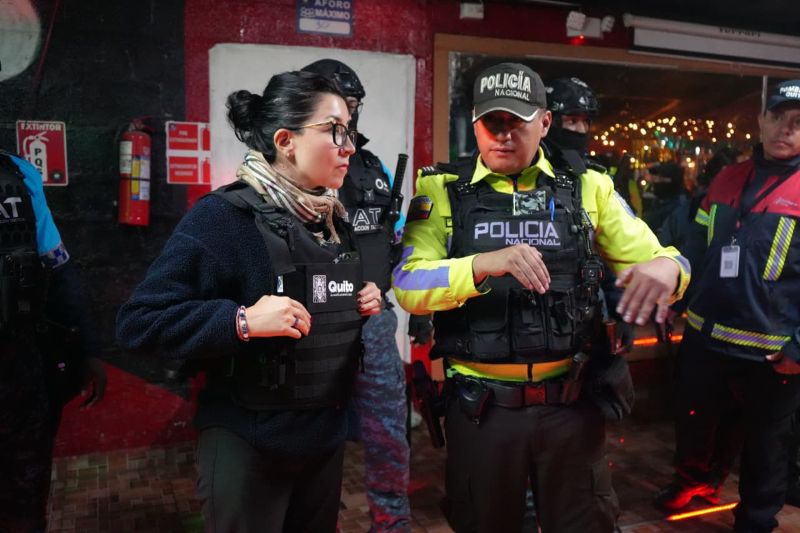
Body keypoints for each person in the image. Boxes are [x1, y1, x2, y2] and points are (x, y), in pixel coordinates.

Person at [392, 62, 690, 533]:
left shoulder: (589, 185)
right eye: (492, 122)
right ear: (474, 122)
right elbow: (408, 285)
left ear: (546, 122)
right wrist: (482, 264)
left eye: (517, 122)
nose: (503, 135)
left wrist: (671, 268)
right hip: (482, 411)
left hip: (570, 407)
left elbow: (660, 258)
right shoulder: (442, 189)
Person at [116, 70, 383, 532]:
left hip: (323, 441)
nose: (350, 147)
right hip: (248, 444)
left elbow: (318, 304)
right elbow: (138, 323)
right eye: (335, 131)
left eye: (351, 131)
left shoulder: (332, 219)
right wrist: (240, 320)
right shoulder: (223, 218)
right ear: (286, 141)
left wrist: (358, 300)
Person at [653, 79, 800, 532]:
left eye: (798, 123)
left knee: (766, 446)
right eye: (778, 117)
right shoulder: (726, 178)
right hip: (705, 337)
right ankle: (693, 483)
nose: (786, 129)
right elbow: (697, 247)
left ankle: (755, 520)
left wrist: (798, 347)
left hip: (771, 354)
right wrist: (673, 297)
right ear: (761, 120)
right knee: (694, 424)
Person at [301, 59, 411, 533]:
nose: (347, 114)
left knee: (388, 430)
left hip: (373, 322)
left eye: (352, 104)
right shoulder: (288, 165)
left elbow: (395, 237)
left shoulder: (371, 168)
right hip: (310, 325)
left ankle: (392, 522)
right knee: (309, 435)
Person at [0, 148, 105, 532]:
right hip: (19, 369)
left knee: (25, 502)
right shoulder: (15, 173)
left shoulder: (18, 173)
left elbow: (58, 271)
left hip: (19, 370)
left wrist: (88, 348)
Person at [642, 162, 687, 233]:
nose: (656, 181)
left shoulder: (679, 209)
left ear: (671, 182)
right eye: (655, 178)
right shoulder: (658, 202)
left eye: (660, 178)